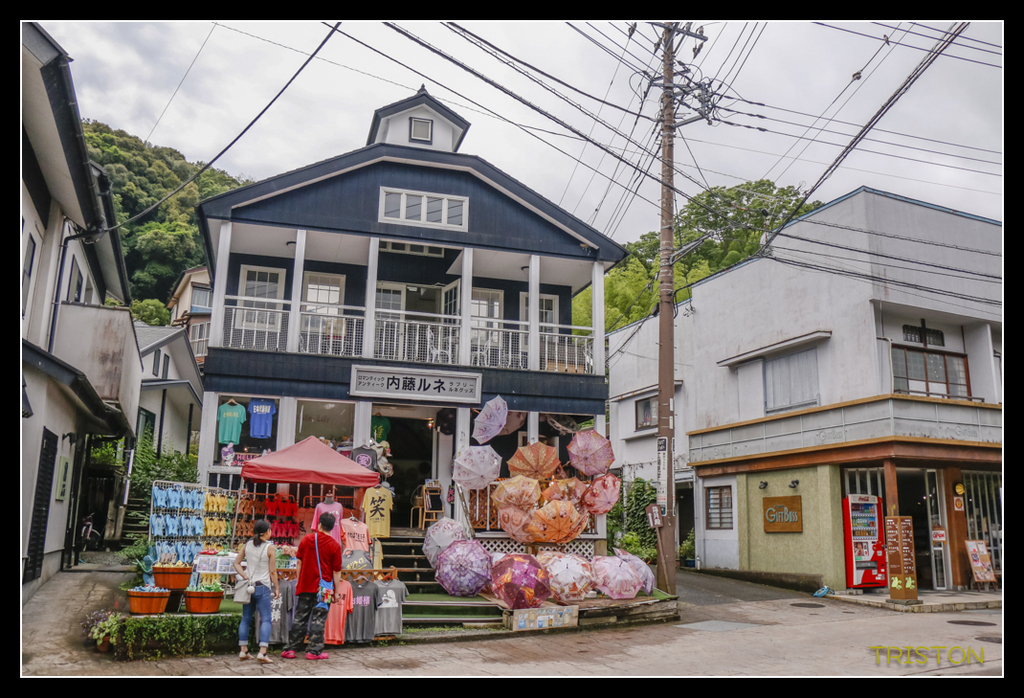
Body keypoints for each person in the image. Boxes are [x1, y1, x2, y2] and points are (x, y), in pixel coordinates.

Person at [280, 512, 343, 660]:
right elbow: (336, 571)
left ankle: (291, 649)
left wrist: (298, 581)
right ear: (332, 527)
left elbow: (299, 562)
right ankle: (313, 651)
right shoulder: (335, 545)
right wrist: (336, 592)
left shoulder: (307, 539)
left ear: (319, 525)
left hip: (306, 585)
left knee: (300, 617)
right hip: (325, 587)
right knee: (319, 619)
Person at [233, 519, 280, 664]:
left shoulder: (247, 545)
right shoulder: (270, 548)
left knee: (246, 618)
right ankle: (262, 652)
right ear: (267, 532)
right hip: (263, 586)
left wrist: (244, 575)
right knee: (266, 618)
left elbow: (236, 563)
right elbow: (272, 571)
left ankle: (243, 650)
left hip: (249, 586)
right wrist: (276, 587)